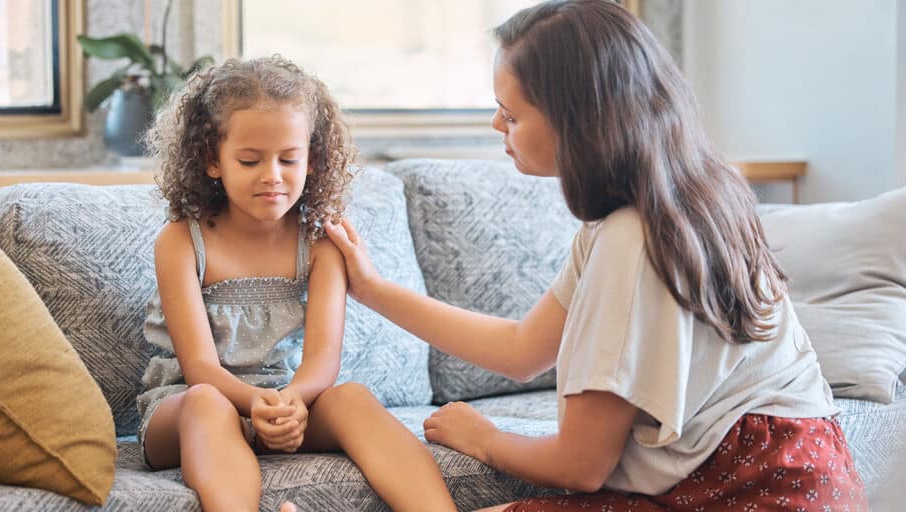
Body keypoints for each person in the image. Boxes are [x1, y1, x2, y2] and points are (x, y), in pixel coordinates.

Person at [324, 1, 868, 510]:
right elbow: (521, 350)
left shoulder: (631, 241)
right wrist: (373, 288)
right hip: (808, 468)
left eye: (511, 115)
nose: (497, 127)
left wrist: (487, 439)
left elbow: (581, 464)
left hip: (756, 485)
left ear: (577, 122)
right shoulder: (675, 198)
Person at [137, 56, 457, 512]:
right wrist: (257, 403)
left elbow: (323, 359)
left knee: (351, 397)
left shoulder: (320, 242)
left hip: (290, 401)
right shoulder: (181, 241)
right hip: (191, 406)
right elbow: (200, 367)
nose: (272, 175)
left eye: (289, 158)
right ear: (212, 160)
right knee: (208, 403)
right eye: (250, 160)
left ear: (313, 159)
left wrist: (288, 403)